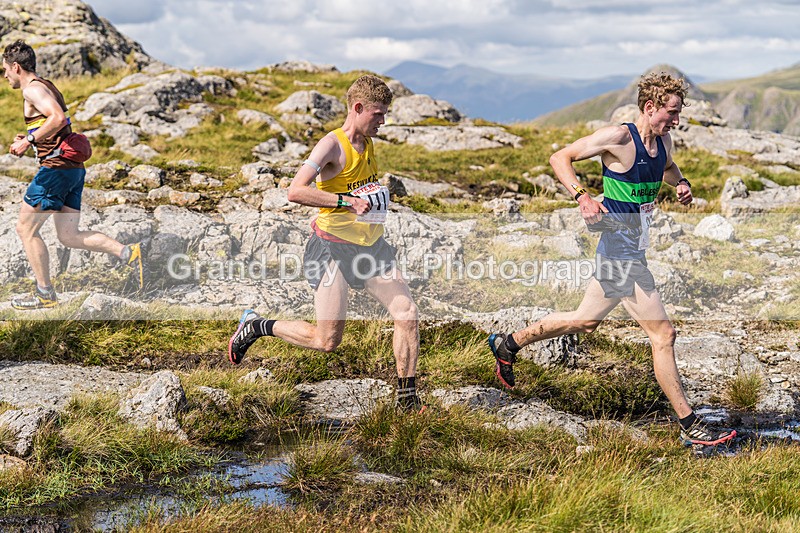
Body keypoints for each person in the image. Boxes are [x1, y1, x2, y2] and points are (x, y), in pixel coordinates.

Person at [488, 73, 736, 447]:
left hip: (632, 249)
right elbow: (561, 157)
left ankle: (508, 344)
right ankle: (690, 424)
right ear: (650, 107)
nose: (676, 121)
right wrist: (582, 197)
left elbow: (667, 167)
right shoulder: (619, 138)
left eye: (678, 113)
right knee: (663, 334)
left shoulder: (663, 141)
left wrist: (681, 183)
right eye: (671, 113)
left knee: (584, 321)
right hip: (618, 251)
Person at [228, 75, 423, 411]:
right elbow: (295, 190)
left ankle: (406, 401)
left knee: (407, 313)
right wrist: (345, 203)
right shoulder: (331, 145)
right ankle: (257, 325)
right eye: (378, 114)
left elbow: (358, 188)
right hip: (331, 249)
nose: (383, 121)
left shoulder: (368, 142)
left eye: (386, 114)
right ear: (358, 108)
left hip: (371, 248)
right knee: (327, 340)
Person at [3, 40, 144, 309]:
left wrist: (29, 141)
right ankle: (128, 253)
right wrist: (34, 136)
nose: (5, 75)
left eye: (5, 70)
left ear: (16, 67)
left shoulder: (31, 90)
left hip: (55, 171)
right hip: (72, 171)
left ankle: (45, 294)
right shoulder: (45, 85)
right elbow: (55, 126)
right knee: (68, 236)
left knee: (25, 228)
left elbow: (58, 118)